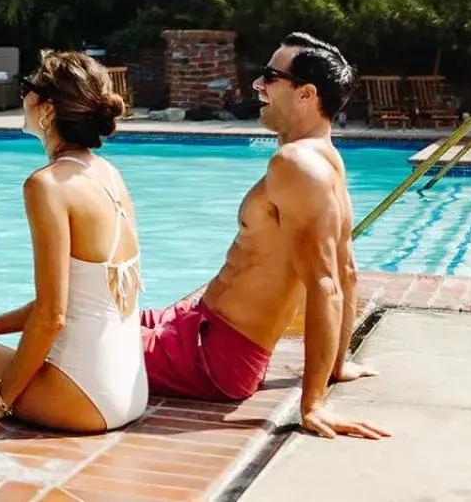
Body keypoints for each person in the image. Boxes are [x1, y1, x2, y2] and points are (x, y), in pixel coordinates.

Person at [138, 32, 389, 440]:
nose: (257, 85)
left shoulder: (297, 164)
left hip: (213, 358)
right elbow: (347, 270)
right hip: (197, 326)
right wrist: (337, 364)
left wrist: (313, 405)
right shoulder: (325, 159)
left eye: (270, 77)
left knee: (64, 339)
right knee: (83, 317)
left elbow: (326, 284)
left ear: (306, 94)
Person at [0, 51, 147, 434]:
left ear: (48, 108)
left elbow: (53, 315)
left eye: (28, 87)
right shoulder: (108, 175)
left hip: (84, 400)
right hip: (129, 393)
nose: (23, 96)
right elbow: (76, 300)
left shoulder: (47, 185)